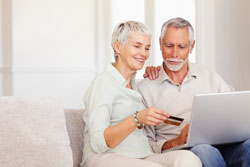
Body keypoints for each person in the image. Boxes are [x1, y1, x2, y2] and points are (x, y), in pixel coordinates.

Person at [80, 21, 202, 167]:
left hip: (141, 156)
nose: (143, 54)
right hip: (104, 157)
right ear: (117, 46)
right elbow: (98, 143)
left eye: (147, 48)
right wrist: (137, 119)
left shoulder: (136, 86)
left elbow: (142, 143)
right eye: (137, 46)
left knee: (189, 159)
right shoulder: (103, 83)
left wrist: (176, 138)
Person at [137, 17, 250, 167]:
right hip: (186, 149)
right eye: (169, 45)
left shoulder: (207, 74)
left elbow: (235, 105)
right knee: (204, 150)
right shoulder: (146, 88)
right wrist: (177, 141)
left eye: (182, 46)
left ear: (192, 46)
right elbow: (147, 144)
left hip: (224, 145)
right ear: (160, 44)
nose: (174, 54)